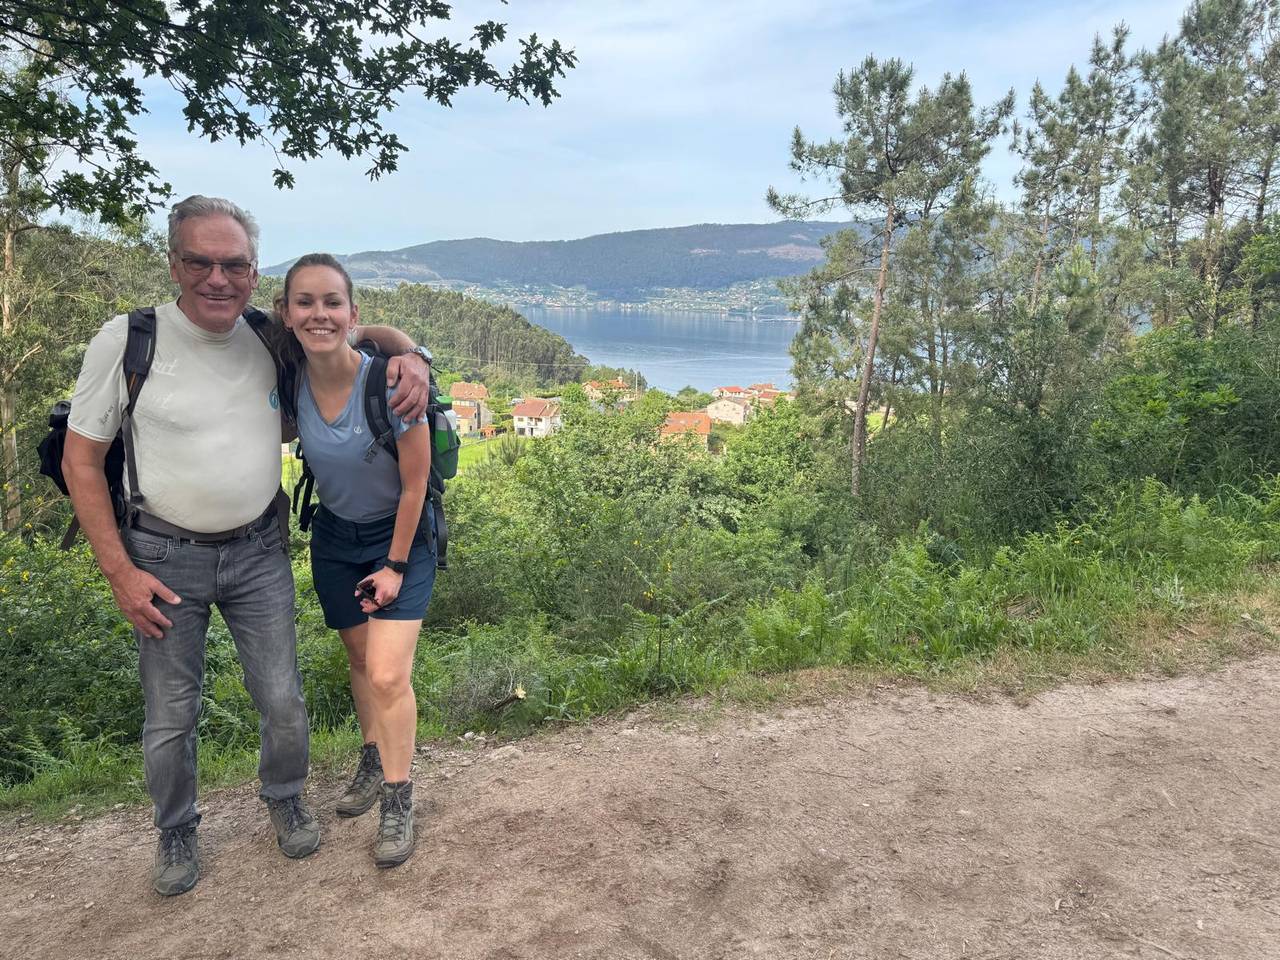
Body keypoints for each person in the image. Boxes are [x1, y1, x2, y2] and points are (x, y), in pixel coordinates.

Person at [62, 196, 432, 896]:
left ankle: (286, 796)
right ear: (173, 263)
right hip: (162, 558)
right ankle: (175, 830)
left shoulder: (267, 337)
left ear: (252, 272)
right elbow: (83, 462)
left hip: (261, 549)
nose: (216, 277)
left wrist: (410, 353)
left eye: (233, 264)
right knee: (171, 713)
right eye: (199, 261)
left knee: (283, 699)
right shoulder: (129, 340)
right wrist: (119, 572)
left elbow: (350, 330)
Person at [276, 253, 435, 868]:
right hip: (335, 541)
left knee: (391, 674)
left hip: (401, 540)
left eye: (332, 302)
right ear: (287, 315)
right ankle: (373, 759)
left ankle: (399, 797)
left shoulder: (392, 384)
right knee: (360, 658)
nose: (319, 314)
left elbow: (416, 486)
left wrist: (395, 565)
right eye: (305, 302)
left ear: (353, 314)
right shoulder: (289, 380)